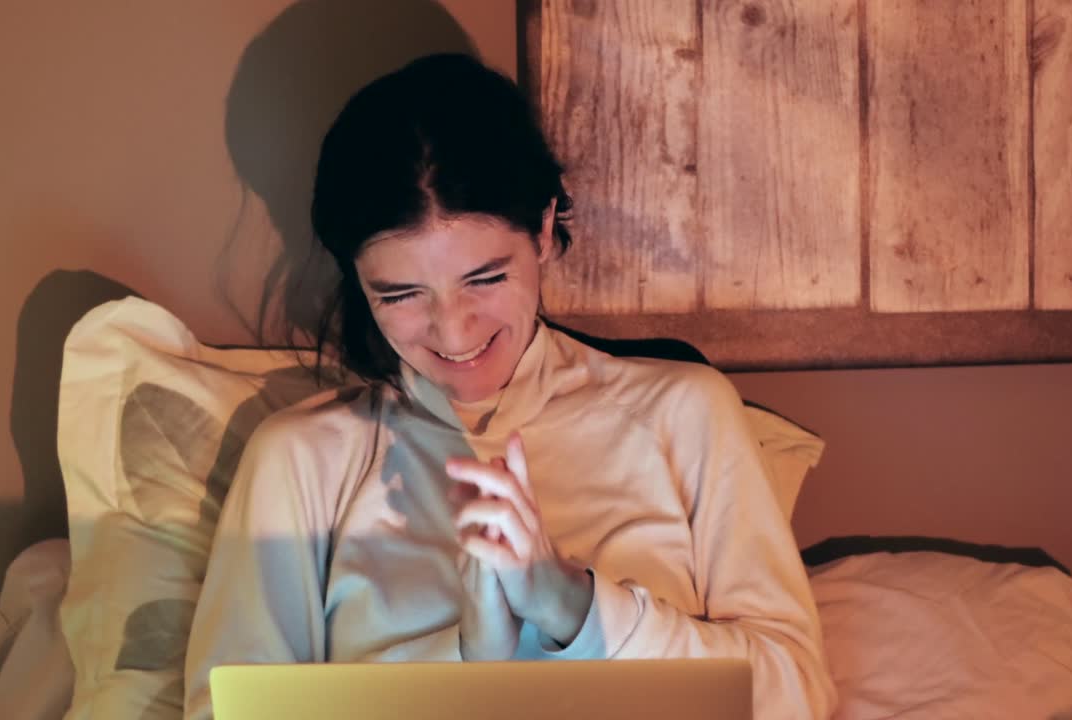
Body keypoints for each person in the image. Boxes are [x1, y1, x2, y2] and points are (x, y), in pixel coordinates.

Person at [184, 53, 836, 720]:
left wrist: (572, 606)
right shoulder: (300, 458)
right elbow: (224, 712)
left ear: (546, 230)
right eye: (402, 294)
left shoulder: (683, 412)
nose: (455, 332)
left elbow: (796, 693)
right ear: (358, 283)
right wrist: (466, 658)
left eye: (485, 278)